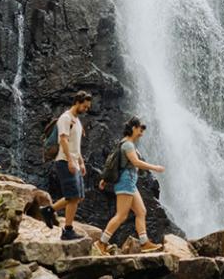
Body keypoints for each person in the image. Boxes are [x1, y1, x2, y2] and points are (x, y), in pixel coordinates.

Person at [95, 116, 165, 254]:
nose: (141, 134)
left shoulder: (124, 143)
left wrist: (105, 179)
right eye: (140, 130)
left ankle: (144, 243)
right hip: (125, 182)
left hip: (130, 182)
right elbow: (136, 162)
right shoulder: (127, 145)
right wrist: (155, 167)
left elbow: (115, 163)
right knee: (121, 215)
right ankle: (101, 242)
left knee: (141, 211)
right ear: (133, 128)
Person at [52, 91, 92, 241]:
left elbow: (76, 145)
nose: (86, 109)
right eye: (85, 106)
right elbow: (63, 140)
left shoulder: (77, 121)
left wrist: (81, 162)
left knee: (78, 197)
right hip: (64, 160)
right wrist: (69, 160)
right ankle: (67, 230)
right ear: (77, 102)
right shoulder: (65, 118)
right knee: (73, 196)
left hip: (74, 161)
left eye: (88, 107)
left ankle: (49, 211)